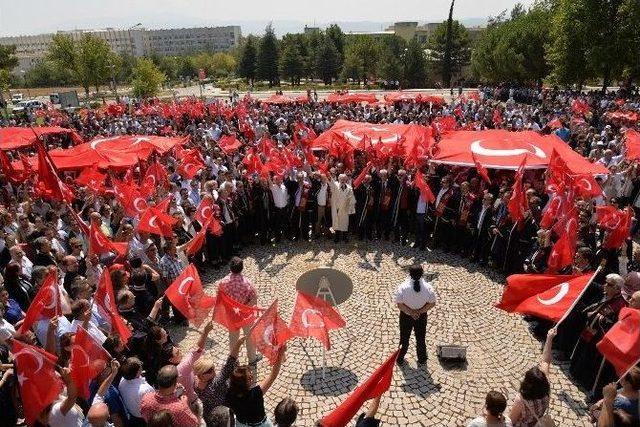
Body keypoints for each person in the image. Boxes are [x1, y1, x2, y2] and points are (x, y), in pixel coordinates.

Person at [226, 346, 286, 427]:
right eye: (250, 377)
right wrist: (280, 353)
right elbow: (273, 375)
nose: (252, 376)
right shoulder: (255, 393)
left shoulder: (229, 394)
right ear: (246, 383)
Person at [194, 335, 245, 425]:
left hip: (210, 415)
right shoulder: (216, 383)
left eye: (213, 367)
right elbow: (230, 362)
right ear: (201, 375)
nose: (214, 370)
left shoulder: (195, 383)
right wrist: (238, 344)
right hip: (225, 413)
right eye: (210, 370)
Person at [509, 328, 556, 427]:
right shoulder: (546, 389)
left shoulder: (521, 400)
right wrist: (549, 338)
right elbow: (546, 361)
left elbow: (511, 421)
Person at [216, 257, 259, 364]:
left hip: (231, 314)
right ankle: (252, 358)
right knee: (249, 336)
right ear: (242, 268)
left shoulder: (223, 282)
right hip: (245, 315)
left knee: (233, 338)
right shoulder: (247, 283)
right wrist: (244, 307)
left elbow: (219, 297)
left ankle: (233, 360)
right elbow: (254, 300)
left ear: (230, 268)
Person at [394, 264, 437, 365]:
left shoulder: (403, 287)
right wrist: (419, 311)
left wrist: (411, 312)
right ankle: (422, 358)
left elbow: (400, 305)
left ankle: (400, 358)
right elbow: (432, 303)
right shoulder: (428, 287)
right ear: (422, 274)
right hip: (421, 316)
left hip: (405, 316)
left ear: (409, 274)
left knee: (404, 338)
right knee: (420, 337)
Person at [328, 173, 356, 243]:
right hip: (337, 208)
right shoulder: (335, 185)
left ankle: (345, 237)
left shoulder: (349, 188)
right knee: (337, 223)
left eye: (344, 179)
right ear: (338, 179)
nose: (342, 180)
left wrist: (351, 209)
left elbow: (352, 198)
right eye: (341, 179)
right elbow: (331, 182)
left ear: (346, 179)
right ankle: (337, 237)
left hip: (345, 208)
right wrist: (328, 174)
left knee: (345, 223)